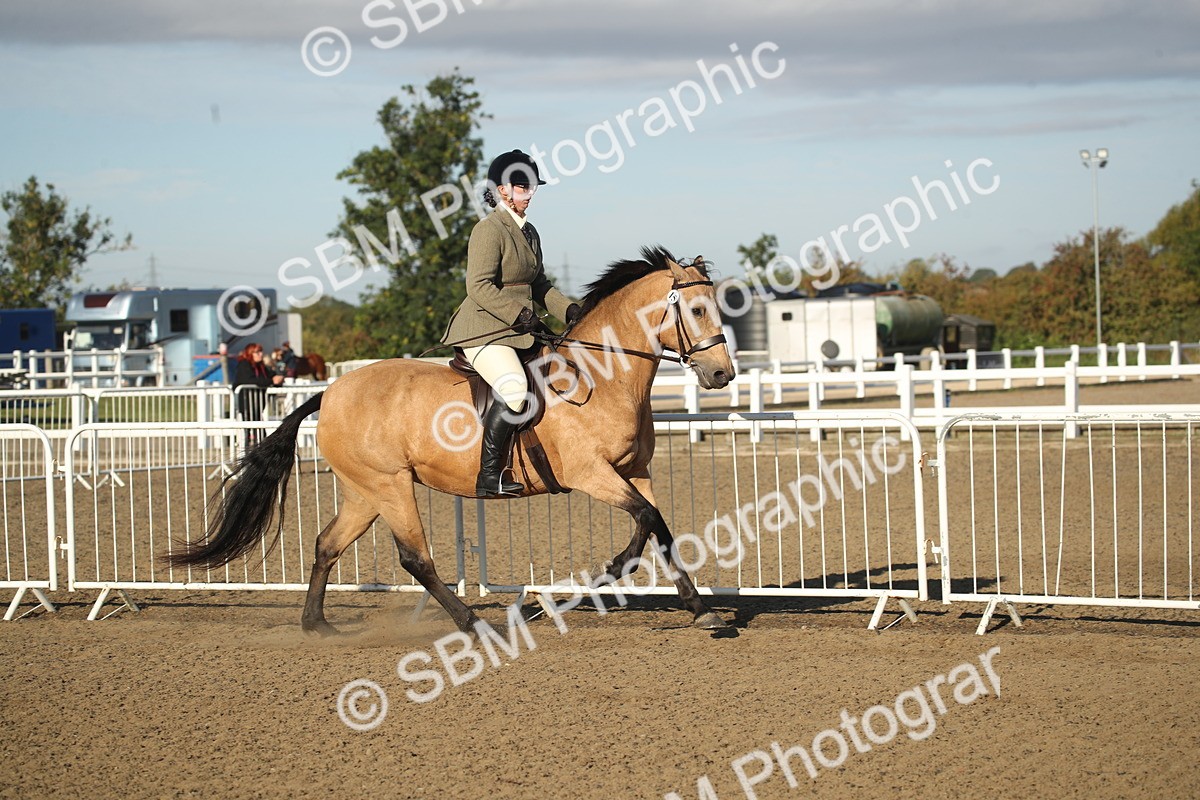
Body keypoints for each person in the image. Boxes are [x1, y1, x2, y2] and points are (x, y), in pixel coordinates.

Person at [441, 149, 582, 497]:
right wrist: (519, 314)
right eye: (522, 187)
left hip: (521, 329)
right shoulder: (488, 230)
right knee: (516, 388)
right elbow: (478, 286)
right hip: (485, 329)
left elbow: (540, 285)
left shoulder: (530, 232)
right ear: (502, 190)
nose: (529, 194)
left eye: (532, 187)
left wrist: (571, 311)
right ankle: (489, 475)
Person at [232, 342, 283, 447]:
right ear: (251, 353)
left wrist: (278, 379)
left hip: (257, 405)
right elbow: (250, 380)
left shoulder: (261, 366)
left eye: (261, 351)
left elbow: (270, 377)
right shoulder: (244, 364)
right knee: (247, 432)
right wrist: (271, 380)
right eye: (257, 352)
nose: (261, 354)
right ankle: (246, 454)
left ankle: (259, 455)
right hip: (246, 404)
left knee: (260, 433)